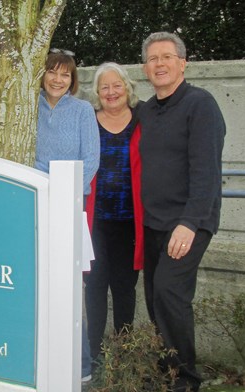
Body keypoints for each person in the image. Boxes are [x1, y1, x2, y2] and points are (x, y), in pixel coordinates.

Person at [138, 32, 226, 392]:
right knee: (156, 299)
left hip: (189, 222)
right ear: (145, 68)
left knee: (170, 295)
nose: (159, 64)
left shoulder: (200, 105)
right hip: (154, 222)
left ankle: (186, 380)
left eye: (167, 57)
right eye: (153, 59)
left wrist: (189, 223)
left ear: (183, 63)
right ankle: (166, 371)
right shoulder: (146, 110)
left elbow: (207, 171)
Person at [35, 49, 100, 383]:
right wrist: (40, 185)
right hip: (33, 205)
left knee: (72, 290)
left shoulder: (83, 110)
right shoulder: (28, 108)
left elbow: (90, 160)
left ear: (72, 80)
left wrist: (61, 189)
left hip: (69, 208)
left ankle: (82, 367)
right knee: (37, 285)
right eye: (52, 72)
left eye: (65, 74)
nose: (58, 79)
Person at [84, 62, 144, 366]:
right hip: (95, 222)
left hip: (131, 223)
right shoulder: (88, 122)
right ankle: (92, 355)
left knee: (124, 289)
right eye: (104, 87)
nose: (111, 92)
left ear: (127, 88)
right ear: (97, 92)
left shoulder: (143, 119)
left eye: (116, 85)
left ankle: (124, 352)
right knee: (94, 287)